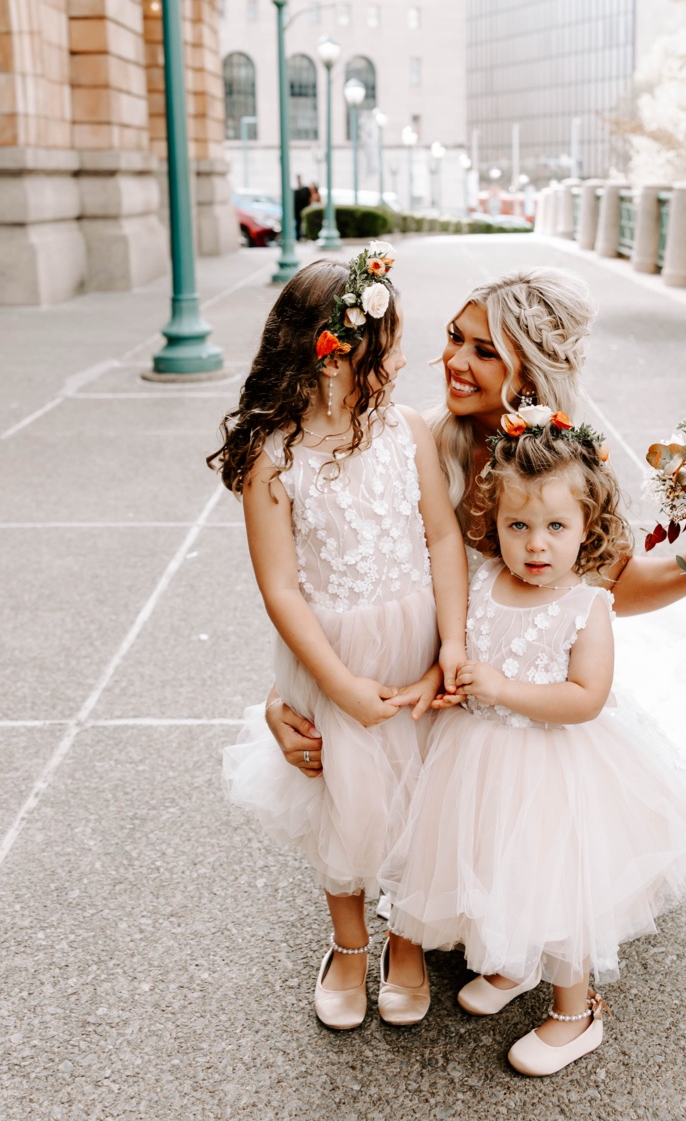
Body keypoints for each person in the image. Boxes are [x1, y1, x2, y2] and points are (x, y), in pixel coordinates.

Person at [263, 267, 686, 806]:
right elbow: (343, 577)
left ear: (529, 370)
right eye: (454, 337)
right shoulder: (418, 442)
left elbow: (613, 584)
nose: (453, 361)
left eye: (484, 352)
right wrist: (285, 699)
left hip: (506, 690)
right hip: (417, 681)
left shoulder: (570, 462)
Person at [384, 413, 686, 1075]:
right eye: (518, 526)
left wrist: (503, 688)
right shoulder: (481, 580)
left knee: (556, 884)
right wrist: (458, 683)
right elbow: (467, 653)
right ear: (494, 521)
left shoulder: (585, 604)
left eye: (557, 527)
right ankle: (512, 962)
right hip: (476, 756)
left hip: (555, 767)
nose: (536, 545)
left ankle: (574, 1009)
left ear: (588, 526)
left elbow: (584, 697)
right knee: (492, 867)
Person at [209, 245, 468, 1030]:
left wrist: (451, 641)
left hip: (415, 637)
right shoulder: (272, 454)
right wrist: (340, 684)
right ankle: (350, 944)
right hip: (334, 652)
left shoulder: (409, 431)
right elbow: (280, 587)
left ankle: (412, 939)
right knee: (345, 799)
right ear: (330, 355)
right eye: (379, 349)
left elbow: (443, 539)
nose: (391, 363)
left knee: (425, 797)